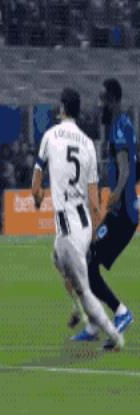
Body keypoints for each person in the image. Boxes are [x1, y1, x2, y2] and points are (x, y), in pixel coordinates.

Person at [32, 88, 124, 351]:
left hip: (68, 227)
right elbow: (94, 199)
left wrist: (38, 198)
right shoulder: (88, 144)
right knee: (57, 259)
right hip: (83, 225)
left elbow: (35, 186)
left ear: (62, 108)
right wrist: (93, 235)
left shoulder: (50, 136)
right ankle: (80, 311)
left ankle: (113, 334)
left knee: (84, 288)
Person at [72, 78, 136, 341]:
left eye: (103, 99)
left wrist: (118, 193)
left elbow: (126, 168)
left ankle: (121, 312)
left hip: (122, 214)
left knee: (88, 264)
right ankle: (95, 324)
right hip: (123, 211)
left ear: (114, 100)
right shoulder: (124, 125)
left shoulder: (119, 128)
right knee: (87, 260)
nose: (99, 105)